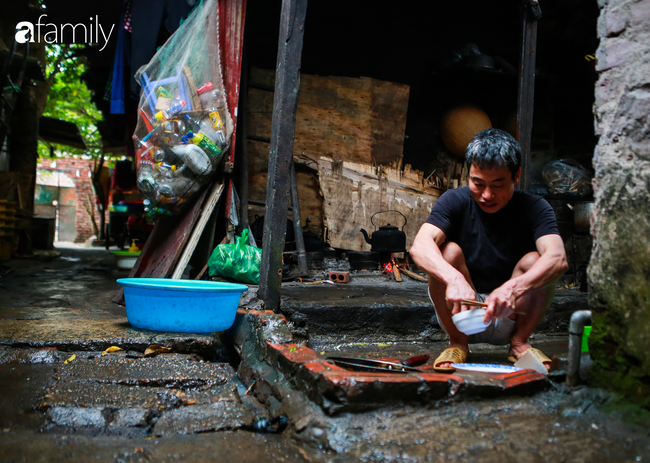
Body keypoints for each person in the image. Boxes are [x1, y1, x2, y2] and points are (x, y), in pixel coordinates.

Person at [410, 128, 568, 372]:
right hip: (462, 310)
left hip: (511, 310)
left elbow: (557, 259)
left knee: (537, 260)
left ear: (516, 176)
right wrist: (453, 278)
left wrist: (512, 289)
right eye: (478, 183)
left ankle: (519, 344)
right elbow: (420, 246)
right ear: (469, 174)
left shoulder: (535, 207)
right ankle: (458, 343)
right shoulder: (454, 200)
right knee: (447, 252)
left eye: (497, 184)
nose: (486, 195)